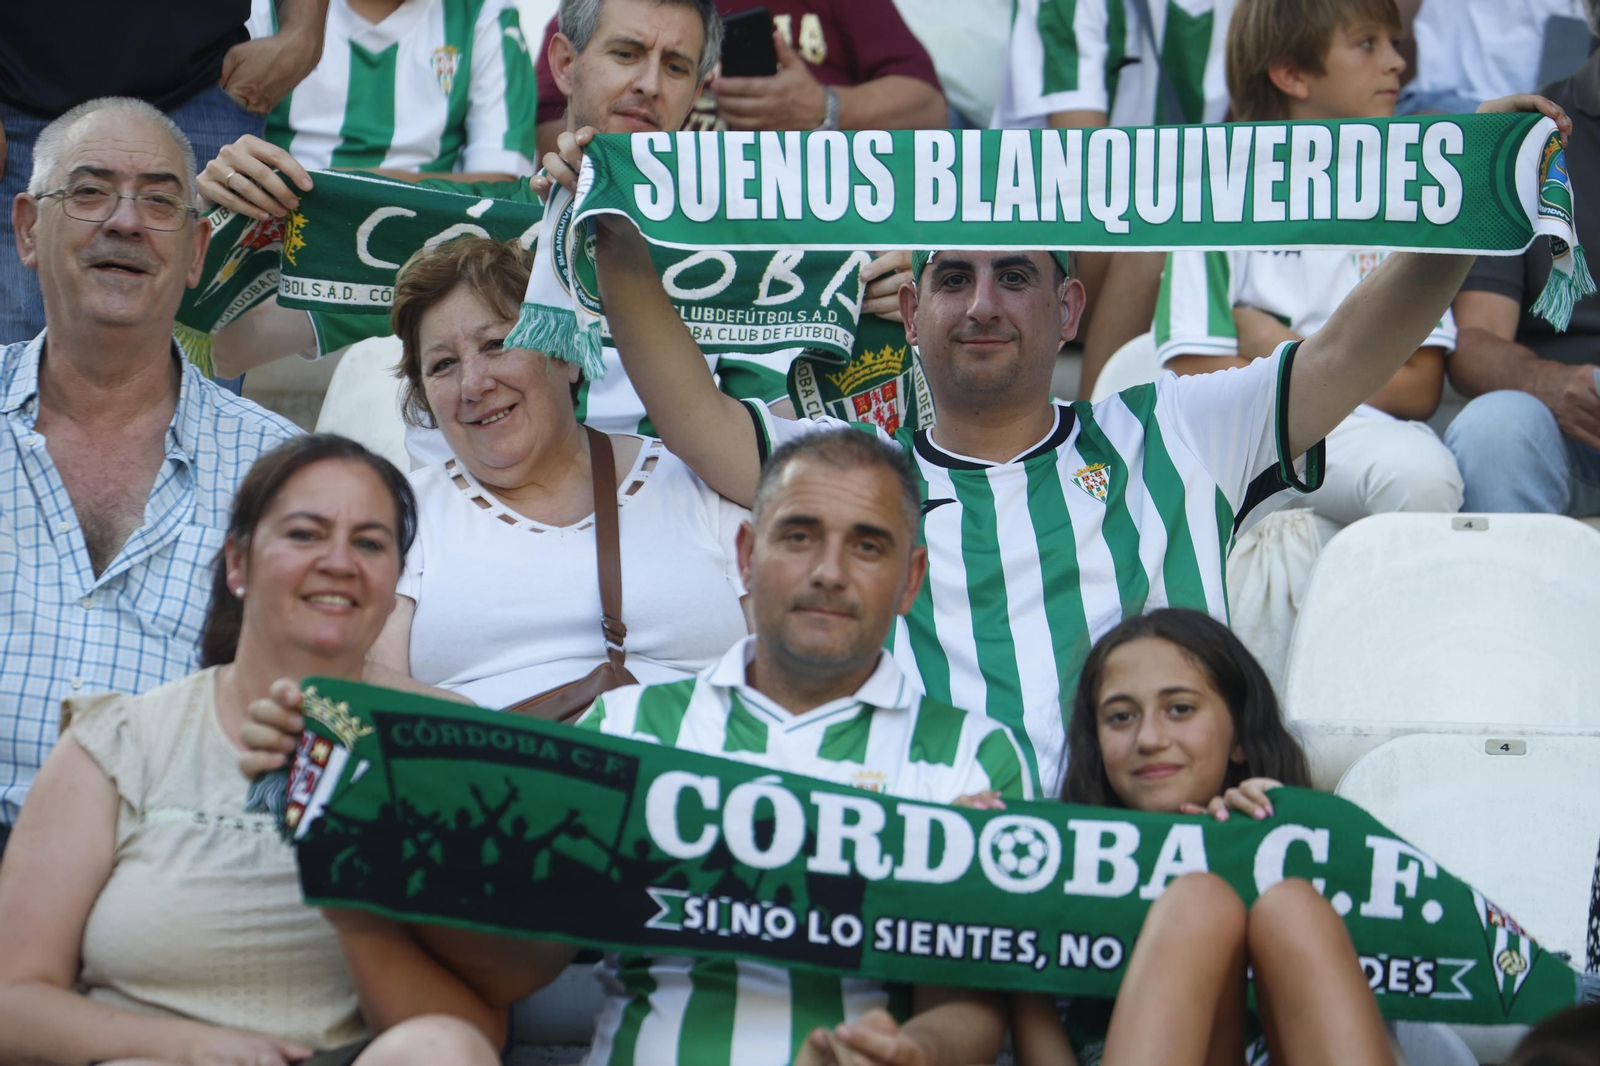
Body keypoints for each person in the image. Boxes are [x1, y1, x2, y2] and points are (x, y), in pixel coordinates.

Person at [541, 90, 1569, 795]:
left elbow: (1356, 344)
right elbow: (692, 416)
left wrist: (1467, 191)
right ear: (912, 314)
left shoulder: (1179, 430)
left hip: (1150, 851)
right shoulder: (855, 474)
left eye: (1015, 276)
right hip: (938, 854)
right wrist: (614, 236)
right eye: (953, 278)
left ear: (1070, 306)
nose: (982, 305)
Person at [241, 427, 1032, 1064]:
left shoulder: (976, 756)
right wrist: (349, 806)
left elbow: (969, 1006)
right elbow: (531, 962)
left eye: (867, 545)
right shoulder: (628, 730)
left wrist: (917, 1052)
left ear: (912, 578)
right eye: (799, 535)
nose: (828, 571)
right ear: (747, 555)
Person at [0, 433, 500, 1065]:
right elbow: (11, 1003)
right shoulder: (118, 742)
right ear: (238, 564)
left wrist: (347, 877)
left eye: (370, 543)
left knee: (442, 1049)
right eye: (305, 534)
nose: (339, 561)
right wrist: (197, 1048)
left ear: (394, 580)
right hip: (148, 1056)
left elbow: (477, 1030)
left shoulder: (448, 745)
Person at [828, 609, 1394, 1066]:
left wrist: (1285, 828)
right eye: (1121, 717)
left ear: (1241, 735)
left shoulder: (1297, 846)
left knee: (1289, 904)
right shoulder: (1056, 872)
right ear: (1096, 743)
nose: (1150, 738)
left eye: (1179, 709)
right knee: (1199, 902)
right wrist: (1002, 909)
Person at [0, 97, 301, 859]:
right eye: (91, 191)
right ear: (29, 229)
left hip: (170, 877)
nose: (126, 222)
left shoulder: (282, 477)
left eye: (161, 201)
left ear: (198, 252)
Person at [365, 235, 752, 707]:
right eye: (443, 365)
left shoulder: (695, 481)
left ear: (567, 354)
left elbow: (789, 668)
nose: (473, 384)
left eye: (497, 344)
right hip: (485, 770)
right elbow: (363, 685)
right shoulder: (399, 512)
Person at [1151, 0, 1463, 535]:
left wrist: (1270, 337)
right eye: (1367, 43)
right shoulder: (1216, 188)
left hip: (1360, 432)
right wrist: (1351, 364)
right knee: (1417, 474)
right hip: (1245, 437)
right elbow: (1195, 373)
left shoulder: (1412, 189)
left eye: (1392, 42)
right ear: (1291, 74)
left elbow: (1419, 389)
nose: (1395, 62)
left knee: (1422, 474)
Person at [0, 0, 329, 342]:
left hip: (207, 84)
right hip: (18, 94)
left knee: (198, 365)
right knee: (13, 370)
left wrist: (303, 32)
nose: (124, 222)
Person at [990, 0, 1237, 399]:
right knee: (1157, 243)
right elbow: (1085, 166)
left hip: (1178, 222)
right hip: (1036, 229)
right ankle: (1098, 442)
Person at [1444, 0, 1600, 517]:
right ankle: (1508, 598)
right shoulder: (1530, 138)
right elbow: (1474, 343)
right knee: (1494, 430)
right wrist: (1548, 383)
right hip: (1574, 429)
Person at [532, 0, 947, 159]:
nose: (650, 82)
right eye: (627, 54)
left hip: (808, 213)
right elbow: (554, 117)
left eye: (677, 66)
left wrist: (824, 108)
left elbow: (930, 108)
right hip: (648, 209)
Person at [246, 0, 539, 181]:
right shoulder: (258, 8)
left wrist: (333, 187)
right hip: (275, 232)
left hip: (429, 251)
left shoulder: (486, 11)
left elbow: (503, 182)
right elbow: (225, 155)